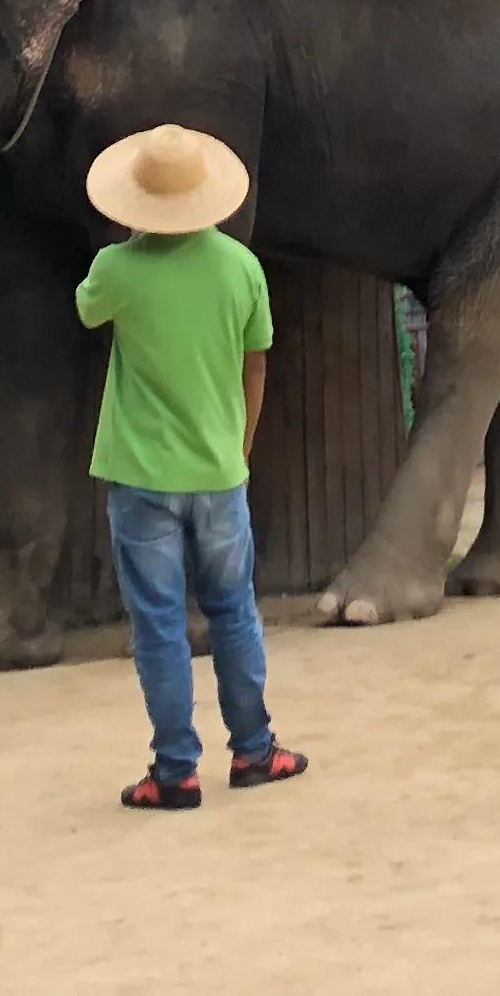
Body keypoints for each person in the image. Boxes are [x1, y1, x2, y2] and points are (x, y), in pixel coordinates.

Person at [75, 123, 302, 811]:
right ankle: (255, 751)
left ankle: (175, 771)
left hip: (140, 474)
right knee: (235, 611)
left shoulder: (116, 270)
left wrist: (128, 242)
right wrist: (240, 446)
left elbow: (86, 311)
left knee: (159, 623)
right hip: (220, 470)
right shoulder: (241, 267)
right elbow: (256, 364)